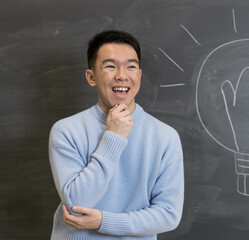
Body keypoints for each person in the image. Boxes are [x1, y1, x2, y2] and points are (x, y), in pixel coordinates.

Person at [48, 30, 184, 239]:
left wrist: (104, 221)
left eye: (131, 66)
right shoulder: (66, 130)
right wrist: (114, 137)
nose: (122, 75)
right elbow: (77, 203)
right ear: (91, 77)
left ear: (139, 75)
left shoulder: (166, 136)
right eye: (110, 66)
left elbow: (168, 214)